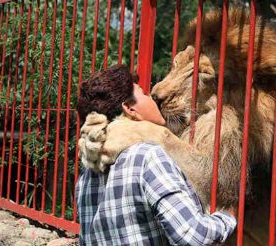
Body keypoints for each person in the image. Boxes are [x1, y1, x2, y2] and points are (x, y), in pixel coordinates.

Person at [76, 64, 237, 245]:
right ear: (130, 109)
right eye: (144, 94)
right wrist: (227, 217)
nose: (154, 96)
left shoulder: (86, 176)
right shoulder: (148, 157)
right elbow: (193, 236)